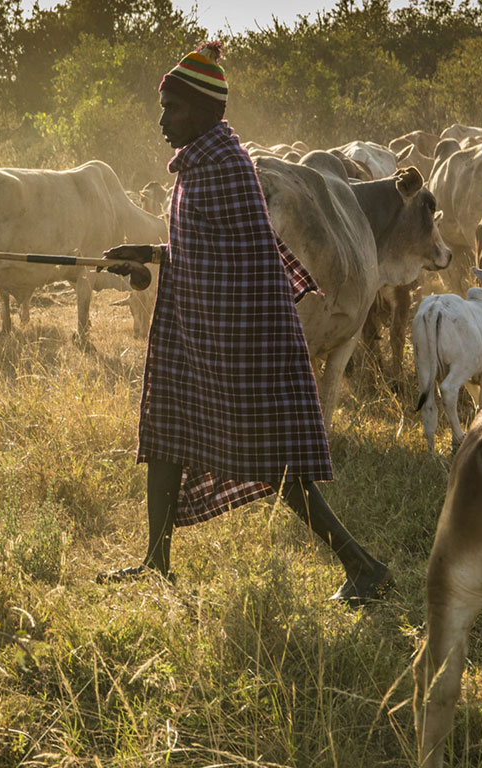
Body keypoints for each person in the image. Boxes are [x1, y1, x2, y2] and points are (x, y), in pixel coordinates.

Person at [97, 44, 391, 605]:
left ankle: (364, 565)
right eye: (161, 108)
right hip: (195, 333)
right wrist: (152, 253)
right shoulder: (198, 163)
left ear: (205, 113)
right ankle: (156, 562)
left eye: (171, 109)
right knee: (165, 436)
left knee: (275, 464)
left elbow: (250, 259)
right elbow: (205, 246)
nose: (161, 120)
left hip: (238, 339)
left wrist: (167, 262)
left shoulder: (227, 167)